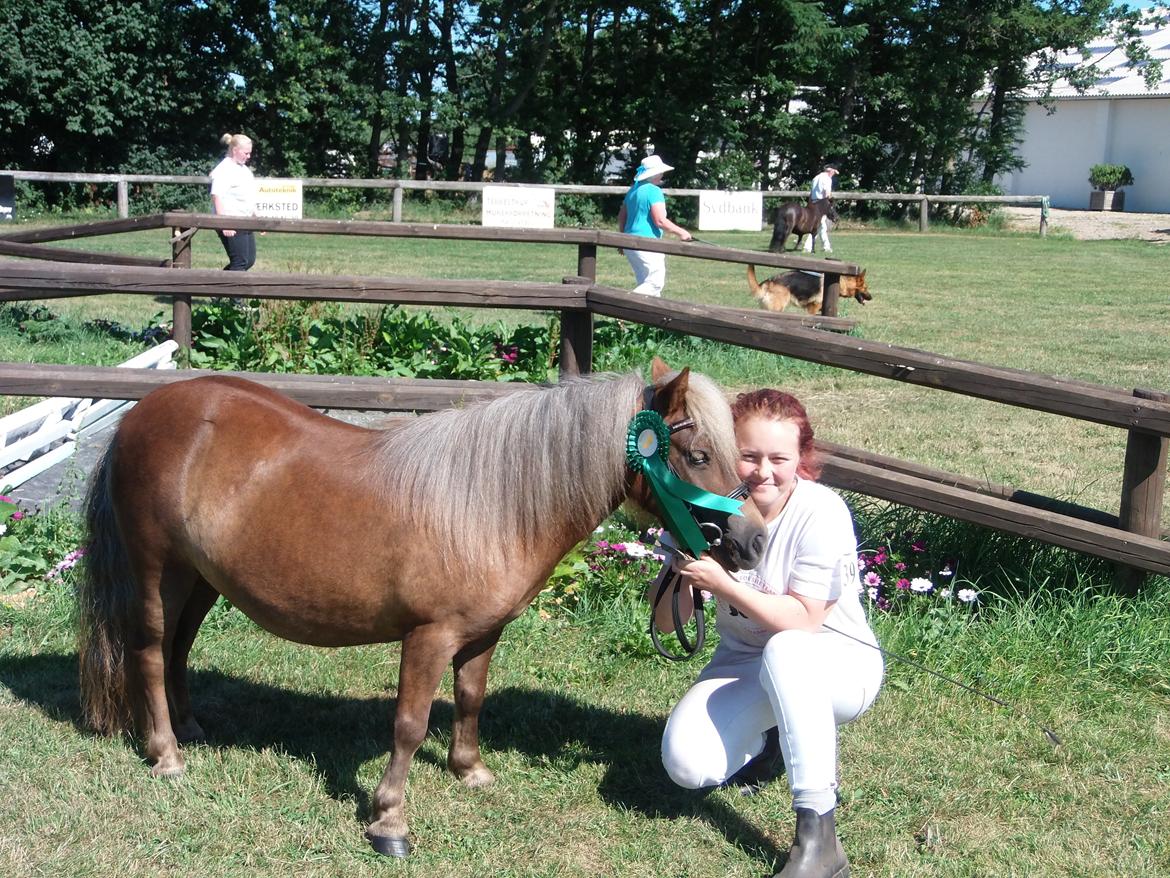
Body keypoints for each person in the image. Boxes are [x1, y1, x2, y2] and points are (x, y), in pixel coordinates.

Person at [649, 388, 883, 878]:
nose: (763, 471)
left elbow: (804, 621)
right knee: (688, 766)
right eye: (749, 457)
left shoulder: (822, 512)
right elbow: (667, 624)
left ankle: (820, 840)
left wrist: (726, 585)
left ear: (802, 459)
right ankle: (772, 738)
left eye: (779, 458)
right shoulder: (712, 509)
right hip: (745, 665)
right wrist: (683, 562)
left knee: (787, 648)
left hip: (835, 667)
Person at [615, 154, 692, 296]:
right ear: (656, 173)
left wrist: (621, 240)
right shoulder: (654, 191)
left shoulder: (633, 190)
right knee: (655, 283)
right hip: (647, 243)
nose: (662, 174)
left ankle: (643, 317)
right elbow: (660, 221)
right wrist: (682, 232)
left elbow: (622, 216)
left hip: (629, 243)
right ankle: (624, 305)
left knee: (645, 282)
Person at [209, 133, 258, 271]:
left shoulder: (244, 170)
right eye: (246, 153)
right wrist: (224, 223)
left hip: (245, 220)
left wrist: (256, 216)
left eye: (250, 153)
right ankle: (231, 291)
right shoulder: (224, 169)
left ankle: (217, 289)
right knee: (240, 262)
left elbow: (247, 195)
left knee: (248, 261)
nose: (249, 156)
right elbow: (216, 196)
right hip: (231, 221)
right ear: (235, 150)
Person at [805, 164, 838, 254]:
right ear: (831, 171)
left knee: (821, 226)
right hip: (822, 204)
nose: (834, 174)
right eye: (834, 172)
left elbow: (811, 193)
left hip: (813, 203)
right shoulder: (827, 179)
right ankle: (808, 247)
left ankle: (825, 246)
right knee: (819, 225)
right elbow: (827, 194)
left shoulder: (816, 178)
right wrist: (831, 201)